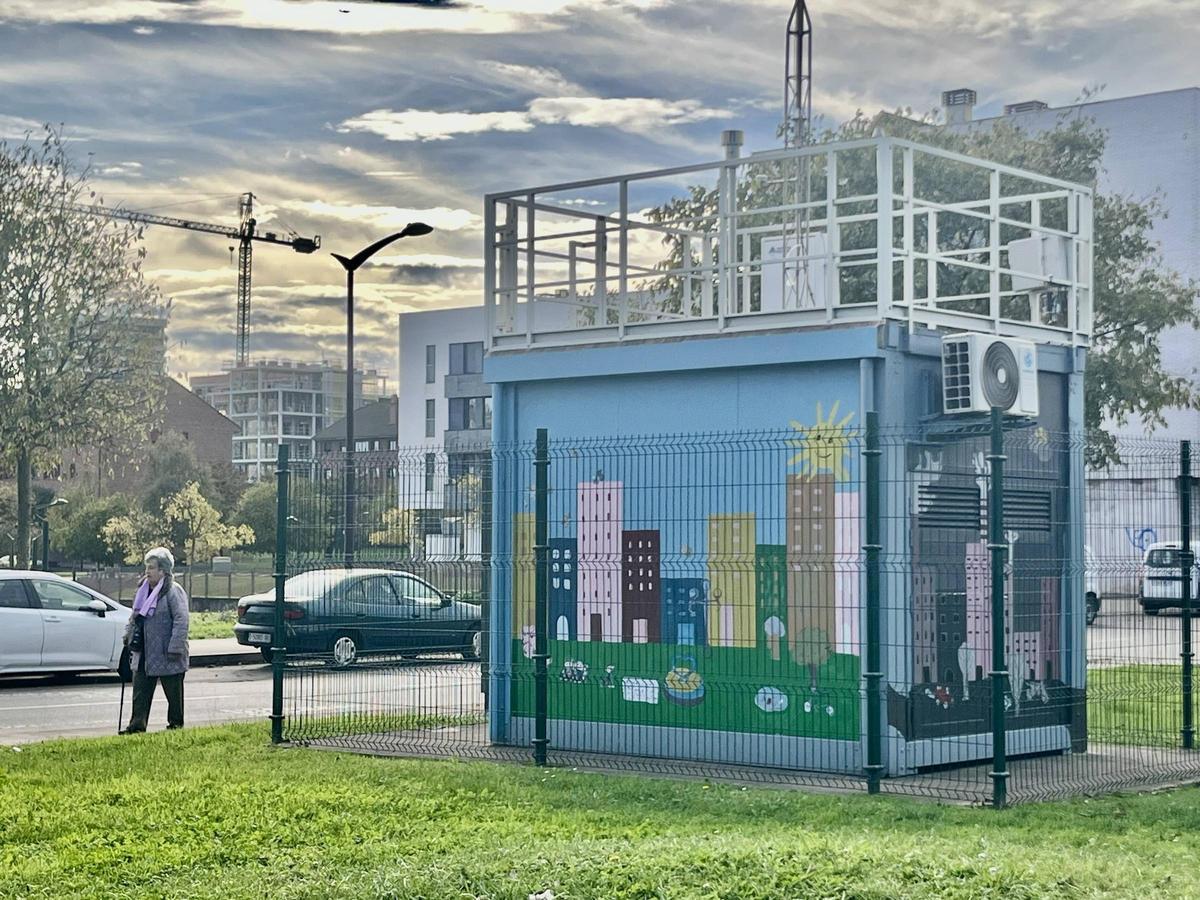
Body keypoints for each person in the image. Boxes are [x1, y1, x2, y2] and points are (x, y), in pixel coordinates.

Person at [120, 547, 190, 734]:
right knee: (140, 690)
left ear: (163, 571)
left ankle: (175, 726)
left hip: (168, 652)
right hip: (144, 651)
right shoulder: (143, 591)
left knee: (173, 693)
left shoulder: (173, 591)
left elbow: (182, 620)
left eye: (151, 568)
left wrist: (175, 647)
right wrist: (128, 636)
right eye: (147, 567)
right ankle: (136, 726)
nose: (147, 571)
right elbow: (134, 617)